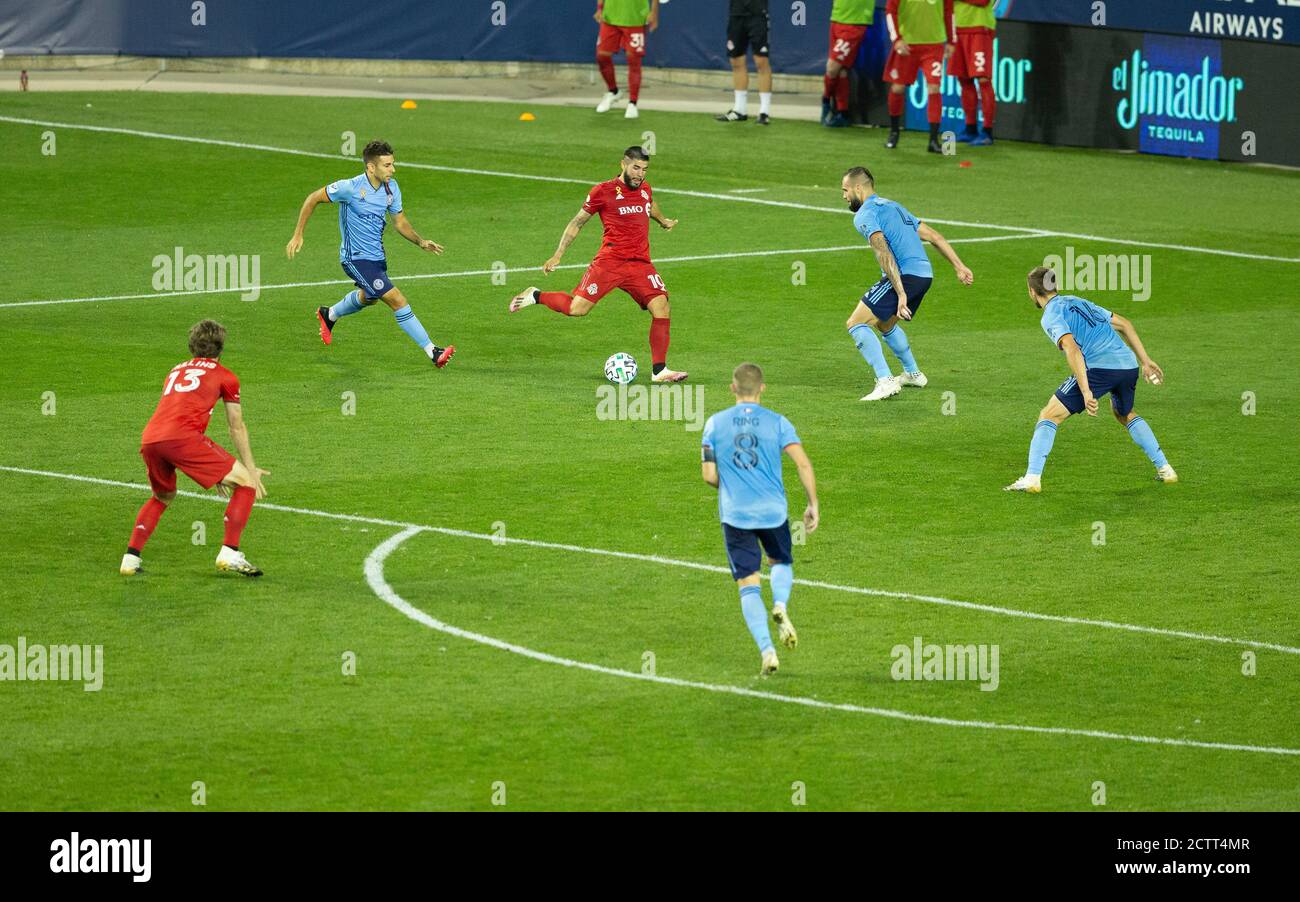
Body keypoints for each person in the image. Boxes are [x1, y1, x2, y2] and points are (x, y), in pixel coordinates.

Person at [508, 146, 688, 383]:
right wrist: (558, 254)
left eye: (644, 169)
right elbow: (577, 222)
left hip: (640, 264)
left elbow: (649, 204)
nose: (640, 174)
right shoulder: (602, 191)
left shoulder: (645, 188)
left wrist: (663, 220)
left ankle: (659, 370)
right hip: (610, 262)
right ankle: (536, 295)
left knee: (662, 307)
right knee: (577, 309)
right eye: (636, 168)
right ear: (623, 164)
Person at [1006, 267, 1178, 493]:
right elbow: (1125, 324)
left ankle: (1032, 479)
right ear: (1055, 285)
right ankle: (1166, 469)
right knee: (1124, 413)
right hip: (1128, 365)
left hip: (1100, 368)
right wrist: (1145, 361)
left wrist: (1086, 391)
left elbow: (1072, 349)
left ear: (1032, 291)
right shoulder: (1079, 301)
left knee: (1049, 415)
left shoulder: (1051, 315)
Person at [285, 139, 455, 368]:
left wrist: (420, 241)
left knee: (371, 297)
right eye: (387, 165)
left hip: (376, 258)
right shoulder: (350, 188)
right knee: (397, 299)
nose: (392, 170)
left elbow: (400, 222)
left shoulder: (391, 188)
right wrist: (298, 234)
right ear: (371, 167)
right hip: (354, 258)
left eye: (393, 164)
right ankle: (433, 351)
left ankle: (330, 314)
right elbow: (313, 198)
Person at [120, 320, 268, 577]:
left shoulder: (175, 370)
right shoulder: (226, 376)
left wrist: (216, 468)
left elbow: (182, 410)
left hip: (152, 438)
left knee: (163, 496)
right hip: (182, 439)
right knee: (245, 482)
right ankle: (229, 552)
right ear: (221, 348)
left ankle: (130, 559)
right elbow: (236, 427)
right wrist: (251, 469)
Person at [702, 363, 819, 676]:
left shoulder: (714, 424)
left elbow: (709, 475)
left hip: (736, 514)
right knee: (780, 561)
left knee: (748, 585)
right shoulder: (779, 423)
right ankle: (780, 603)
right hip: (773, 511)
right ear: (762, 389)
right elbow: (803, 465)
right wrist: (812, 504)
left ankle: (768, 652)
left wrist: (730, 485)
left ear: (732, 388)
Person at [840, 167, 972, 401]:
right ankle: (913, 373)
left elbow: (882, 251)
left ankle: (885, 380)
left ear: (858, 188)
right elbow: (933, 236)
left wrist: (900, 292)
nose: (844, 196)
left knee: (856, 323)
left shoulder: (865, 214)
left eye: (845, 190)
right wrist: (959, 266)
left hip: (905, 277)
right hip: (924, 275)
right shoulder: (894, 206)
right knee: (884, 324)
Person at [883, 0, 956, 152]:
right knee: (897, 88)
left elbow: (949, 11)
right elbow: (890, 10)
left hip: (933, 45)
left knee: (934, 87)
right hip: (907, 45)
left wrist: (951, 40)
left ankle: (933, 140)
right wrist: (896, 39)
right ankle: (894, 131)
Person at [593, 0, 660, 120]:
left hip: (635, 18)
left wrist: (654, 12)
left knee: (633, 59)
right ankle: (613, 92)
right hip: (610, 17)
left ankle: (632, 103)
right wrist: (599, 8)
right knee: (602, 56)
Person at [716, 0, 773, 125]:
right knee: (736, 61)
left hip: (758, 14)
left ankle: (764, 112)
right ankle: (739, 110)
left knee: (761, 61)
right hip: (736, 14)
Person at [822, 0, 875, 128]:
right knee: (842, 69)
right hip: (837, 17)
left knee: (832, 68)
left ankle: (825, 101)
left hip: (855, 22)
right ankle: (843, 113)